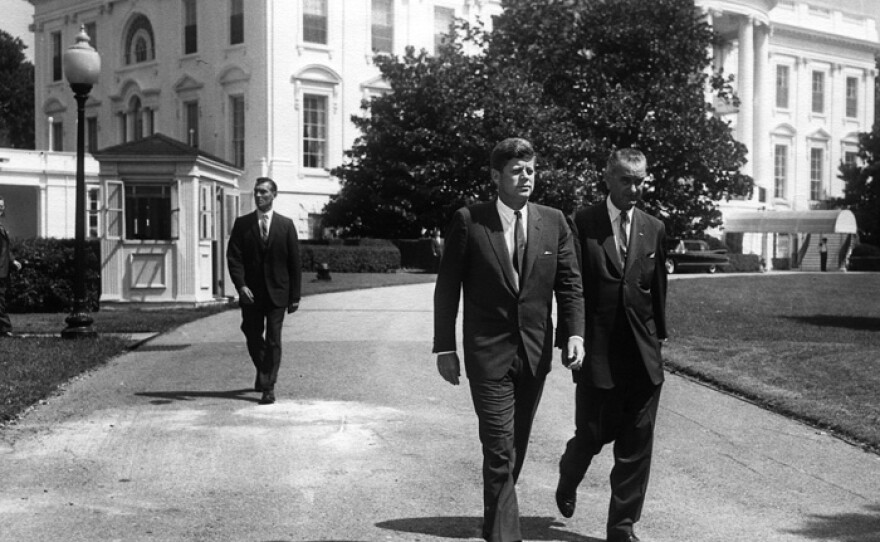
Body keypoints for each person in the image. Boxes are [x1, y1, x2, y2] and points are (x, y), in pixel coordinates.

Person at [433, 138, 585, 542]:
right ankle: (505, 535)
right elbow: (447, 288)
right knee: (499, 445)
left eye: (531, 169)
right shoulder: (470, 220)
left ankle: (494, 518)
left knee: (514, 445)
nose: (526, 176)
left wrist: (574, 333)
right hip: (487, 354)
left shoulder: (553, 221)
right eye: (517, 170)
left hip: (534, 354)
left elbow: (570, 284)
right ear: (496, 176)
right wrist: (444, 348)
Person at [555, 149, 668, 542]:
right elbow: (572, 286)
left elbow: (656, 293)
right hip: (597, 353)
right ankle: (569, 474)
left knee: (636, 445)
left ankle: (622, 527)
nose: (634, 189)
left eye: (640, 181)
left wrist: (658, 343)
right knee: (590, 435)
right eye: (626, 180)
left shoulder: (654, 227)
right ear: (607, 177)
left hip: (642, 357)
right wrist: (572, 337)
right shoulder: (582, 223)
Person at [227, 178, 302, 405]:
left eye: (264, 192)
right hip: (251, 294)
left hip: (278, 293)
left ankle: (268, 386)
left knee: (273, 340)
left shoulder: (286, 225)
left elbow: (294, 263)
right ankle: (264, 370)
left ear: (274, 195)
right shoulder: (242, 224)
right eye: (257, 192)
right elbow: (234, 258)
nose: (259, 196)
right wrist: (241, 285)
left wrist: (294, 297)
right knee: (251, 333)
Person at [0, 197, 22, 337]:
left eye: (2, 206)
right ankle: (4, 328)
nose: (1, 208)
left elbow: (5, 249)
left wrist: (13, 261)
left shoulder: (1, 226)